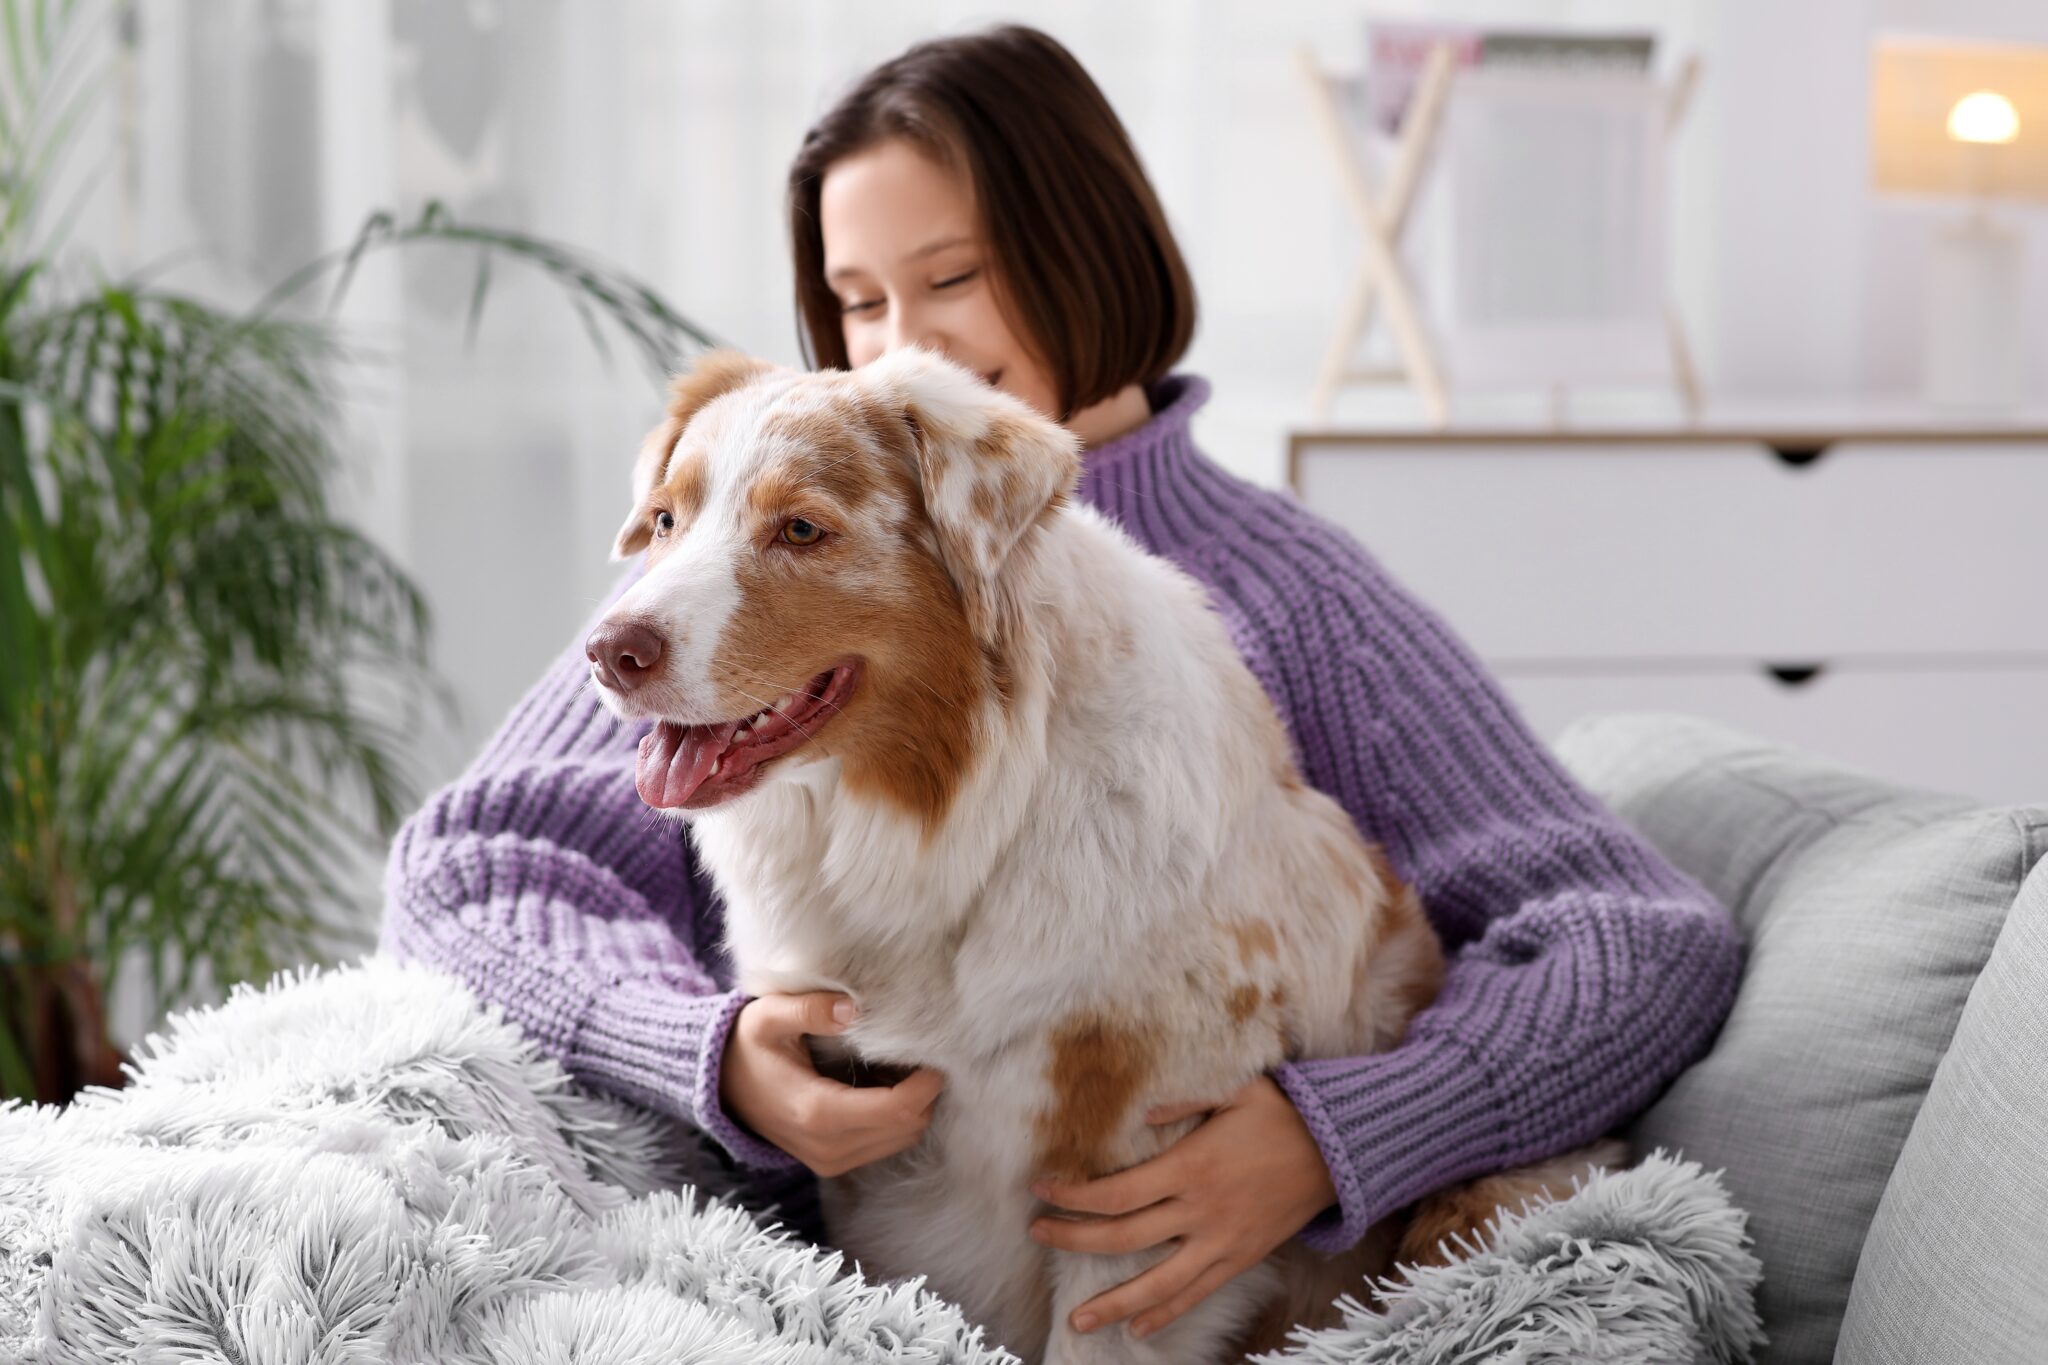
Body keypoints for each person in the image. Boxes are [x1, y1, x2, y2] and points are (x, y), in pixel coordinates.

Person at [380, 22, 1743, 1348]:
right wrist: (708, 1050)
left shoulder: (1297, 596)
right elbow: (473, 870)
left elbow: (1629, 936)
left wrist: (1342, 1137)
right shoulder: (770, 547)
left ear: (1084, 251)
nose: (901, 337)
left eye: (954, 276)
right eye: (858, 300)